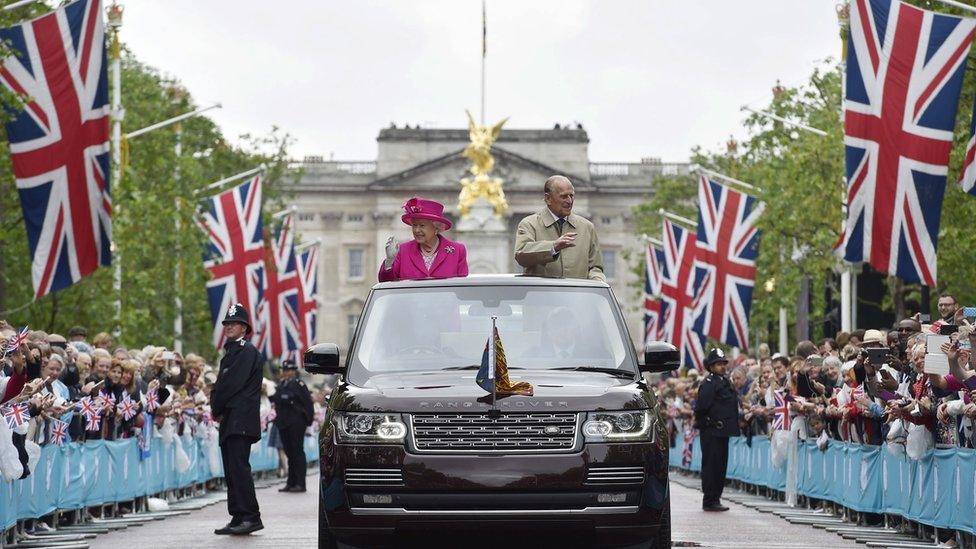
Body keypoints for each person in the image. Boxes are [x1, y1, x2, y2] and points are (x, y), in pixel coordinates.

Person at [211, 303, 264, 536]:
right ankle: (238, 515)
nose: (229, 327)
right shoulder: (232, 351)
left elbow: (230, 385)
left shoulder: (245, 351)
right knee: (232, 470)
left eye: (234, 323)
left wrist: (216, 406)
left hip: (239, 419)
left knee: (239, 469)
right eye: (227, 323)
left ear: (244, 328)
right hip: (231, 419)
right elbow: (221, 384)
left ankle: (250, 516)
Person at [514, 175, 605, 281]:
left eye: (571, 196)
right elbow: (521, 255)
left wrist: (597, 283)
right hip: (541, 296)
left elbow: (595, 267)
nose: (569, 201)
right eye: (564, 196)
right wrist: (553, 247)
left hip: (576, 296)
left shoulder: (587, 227)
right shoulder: (529, 224)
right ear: (548, 199)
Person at [378, 197, 468, 281]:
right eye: (414, 225)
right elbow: (386, 282)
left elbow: (462, 287)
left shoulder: (457, 251)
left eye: (422, 226)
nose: (417, 230)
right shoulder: (402, 251)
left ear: (436, 228)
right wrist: (389, 261)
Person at [694, 348, 740, 511]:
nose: (722, 366)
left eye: (723, 363)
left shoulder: (725, 381)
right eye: (718, 364)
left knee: (721, 465)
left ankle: (716, 498)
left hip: (723, 432)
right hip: (712, 431)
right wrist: (708, 423)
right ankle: (709, 499)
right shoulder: (708, 384)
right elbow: (701, 408)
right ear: (711, 366)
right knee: (711, 465)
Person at [271, 359, 314, 493]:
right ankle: (291, 482)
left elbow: (307, 403)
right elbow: (277, 401)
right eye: (284, 370)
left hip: (296, 422)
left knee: (297, 452)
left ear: (293, 371)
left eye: (288, 370)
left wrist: (308, 420)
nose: (285, 372)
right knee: (289, 452)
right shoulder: (282, 384)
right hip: (284, 422)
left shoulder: (298, 384)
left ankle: (300, 483)